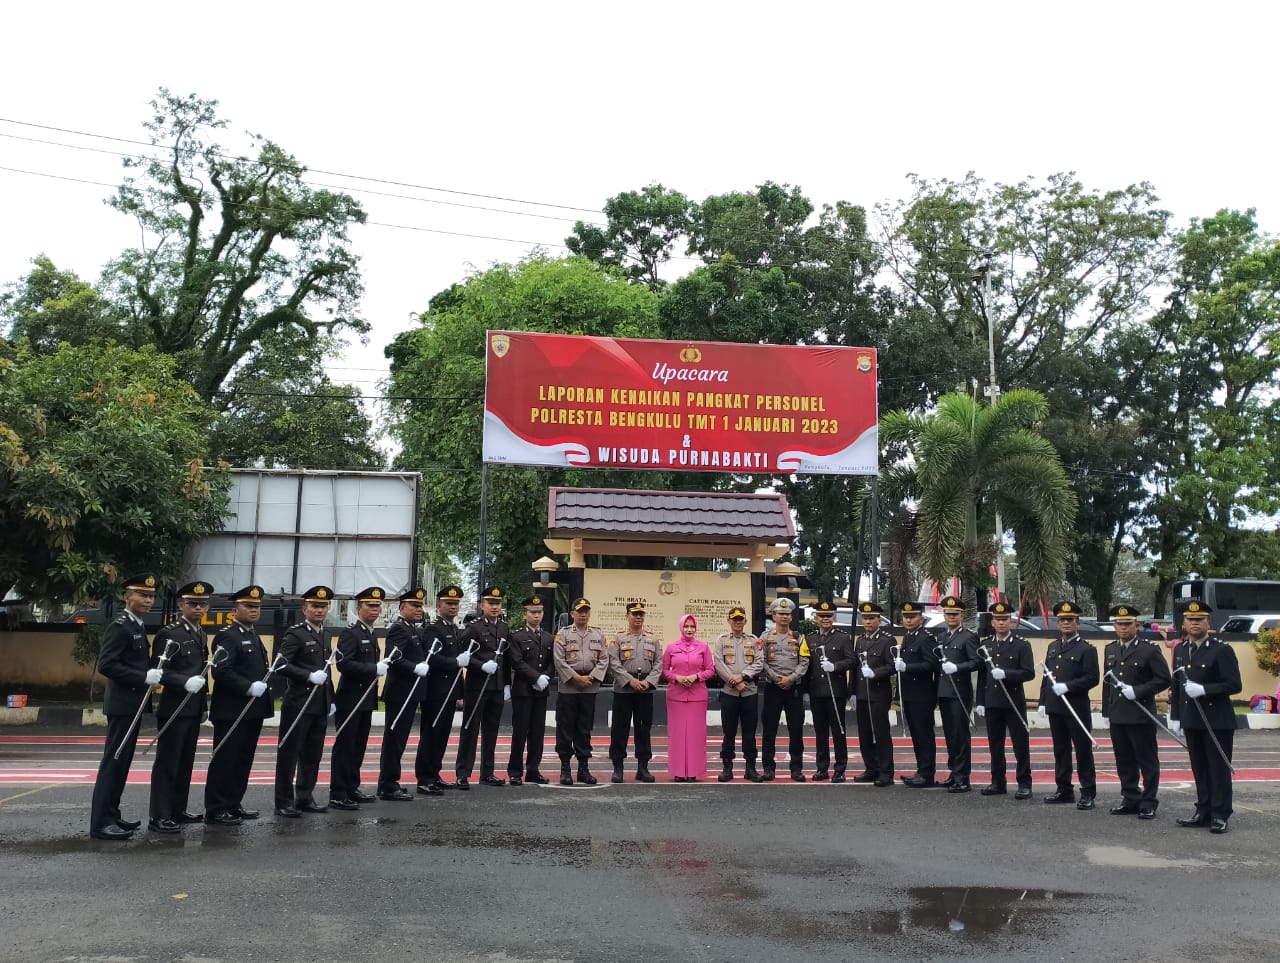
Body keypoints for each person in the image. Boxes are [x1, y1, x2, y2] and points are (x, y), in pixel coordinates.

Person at [89, 573, 159, 840]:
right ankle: (100, 823)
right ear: (127, 596)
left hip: (133, 705)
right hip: (122, 704)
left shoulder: (136, 625)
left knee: (122, 763)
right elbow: (107, 664)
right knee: (113, 762)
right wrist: (143, 677)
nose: (148, 600)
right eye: (142, 595)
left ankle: (112, 814)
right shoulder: (120, 626)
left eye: (151, 596)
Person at [147, 580, 213, 833]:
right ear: (181, 604)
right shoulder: (170, 633)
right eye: (192, 603)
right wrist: (184, 682)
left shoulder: (200, 633)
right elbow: (158, 671)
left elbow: (202, 671)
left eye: (202, 604)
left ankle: (177, 809)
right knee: (168, 762)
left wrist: (204, 701)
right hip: (174, 706)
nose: (198, 608)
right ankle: (159, 815)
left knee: (185, 761)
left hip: (193, 707)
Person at [1170, 600, 1242, 833]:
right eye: (1190, 620)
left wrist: (1204, 689)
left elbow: (1234, 684)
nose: (1194, 623)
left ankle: (1220, 814)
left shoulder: (1221, 650)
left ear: (1208, 622)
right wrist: (1177, 716)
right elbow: (1177, 686)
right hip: (1192, 719)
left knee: (1217, 769)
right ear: (1184, 623)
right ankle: (1203, 810)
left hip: (1216, 720)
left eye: (1199, 619)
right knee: (1199, 767)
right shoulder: (1180, 649)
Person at [205, 584, 273, 826]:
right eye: (248, 606)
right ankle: (216, 808)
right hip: (232, 710)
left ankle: (233, 803)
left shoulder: (252, 634)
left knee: (243, 759)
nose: (254, 610)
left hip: (251, 711)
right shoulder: (228, 635)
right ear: (236, 608)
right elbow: (221, 671)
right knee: (226, 759)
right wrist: (247, 687)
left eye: (257, 606)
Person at [1102, 603, 1172, 820]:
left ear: (1137, 625)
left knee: (1147, 761)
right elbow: (1107, 683)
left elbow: (1163, 679)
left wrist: (1139, 691)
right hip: (1118, 714)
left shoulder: (1149, 649)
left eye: (1127, 624)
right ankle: (1130, 798)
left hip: (1141, 714)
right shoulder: (1111, 649)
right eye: (1119, 624)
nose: (1123, 627)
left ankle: (1149, 801)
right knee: (1124, 761)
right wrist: (1106, 712)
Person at [273, 585, 336, 817]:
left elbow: (327, 671)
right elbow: (280, 664)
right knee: (289, 754)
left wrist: (331, 698)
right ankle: (283, 801)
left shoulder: (325, 634)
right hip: (298, 704)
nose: (320, 610)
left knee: (312, 754)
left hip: (319, 704)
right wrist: (307, 675)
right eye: (315, 606)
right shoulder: (295, 633)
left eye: (323, 606)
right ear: (304, 608)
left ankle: (304, 796)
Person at [329, 586, 388, 811]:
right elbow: (344, 664)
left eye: (377, 606)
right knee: (345, 746)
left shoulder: (370, 633)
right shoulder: (350, 633)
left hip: (366, 699)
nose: (374, 610)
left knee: (359, 745)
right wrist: (373, 668)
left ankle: (352, 786)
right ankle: (338, 792)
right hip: (351, 699)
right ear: (358, 607)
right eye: (370, 606)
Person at [1040, 600, 1100, 810]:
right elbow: (1046, 677)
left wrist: (1069, 686)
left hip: (1076, 707)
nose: (1066, 623)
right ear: (1058, 623)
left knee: (1083, 750)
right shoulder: (1053, 646)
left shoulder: (1086, 649)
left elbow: (1093, 678)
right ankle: (1064, 789)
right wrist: (1042, 701)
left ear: (1078, 623)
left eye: (1070, 620)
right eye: (1062, 620)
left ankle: (1088, 792)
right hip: (1056, 707)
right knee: (1060, 750)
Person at [976, 601, 1034, 800]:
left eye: (1005, 619)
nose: (1001, 623)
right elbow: (983, 677)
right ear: (992, 622)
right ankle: (998, 782)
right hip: (993, 701)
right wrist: (980, 702)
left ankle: (1024, 783)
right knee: (995, 744)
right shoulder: (986, 645)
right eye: (998, 620)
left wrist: (1007, 674)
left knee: (1020, 744)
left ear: (1011, 621)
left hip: (1013, 701)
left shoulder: (1021, 645)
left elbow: (1029, 673)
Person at [377, 587, 431, 800]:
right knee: (394, 740)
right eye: (414, 605)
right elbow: (394, 658)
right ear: (402, 607)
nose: (419, 609)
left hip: (410, 693)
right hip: (400, 693)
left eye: (420, 606)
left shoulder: (412, 629)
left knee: (400, 740)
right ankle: (388, 785)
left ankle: (391, 781)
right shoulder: (399, 629)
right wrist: (414, 668)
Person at [455, 586, 512, 788]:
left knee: (491, 731)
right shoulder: (474, 627)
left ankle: (487, 772)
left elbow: (506, 660)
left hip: (496, 687)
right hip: (477, 686)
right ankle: (463, 773)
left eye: (497, 603)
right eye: (490, 603)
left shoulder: (504, 627)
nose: (495, 607)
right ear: (482, 605)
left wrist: (507, 684)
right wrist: (481, 665)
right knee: (470, 729)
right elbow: (463, 657)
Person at [553, 597, 610, 785]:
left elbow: (604, 659)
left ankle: (583, 768)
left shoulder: (598, 634)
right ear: (572, 614)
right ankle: (565, 768)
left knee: (584, 730)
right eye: (580, 611)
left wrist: (591, 678)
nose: (583, 614)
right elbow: (559, 660)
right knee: (565, 729)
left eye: (586, 611)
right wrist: (576, 678)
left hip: (589, 688)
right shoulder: (563, 634)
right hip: (569, 688)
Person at [418, 585, 467, 792]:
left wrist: (461, 692)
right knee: (430, 735)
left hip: (450, 691)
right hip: (436, 691)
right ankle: (424, 778)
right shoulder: (433, 629)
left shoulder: (453, 629)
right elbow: (433, 659)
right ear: (439, 606)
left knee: (442, 736)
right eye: (449, 603)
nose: (453, 607)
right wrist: (455, 662)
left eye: (456, 603)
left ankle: (434, 773)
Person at [608, 601, 662, 783]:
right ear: (627, 616)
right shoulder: (618, 639)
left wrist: (649, 682)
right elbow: (613, 663)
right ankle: (618, 768)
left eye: (641, 614)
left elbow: (658, 663)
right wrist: (630, 680)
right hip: (624, 689)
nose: (638, 617)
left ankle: (643, 767)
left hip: (645, 689)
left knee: (643, 729)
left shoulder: (652, 639)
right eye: (634, 614)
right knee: (619, 729)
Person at [757, 597, 809, 782]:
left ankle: (796, 769)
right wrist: (776, 678)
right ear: (774, 615)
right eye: (781, 613)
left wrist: (791, 678)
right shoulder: (764, 637)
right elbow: (760, 661)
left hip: (793, 689)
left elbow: (804, 662)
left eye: (788, 614)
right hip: (773, 688)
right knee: (769, 730)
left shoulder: (799, 637)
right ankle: (768, 769)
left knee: (796, 731)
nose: (785, 617)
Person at [932, 594, 979, 793]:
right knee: (950, 736)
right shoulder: (942, 637)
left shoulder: (969, 637)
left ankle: (963, 777)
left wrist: (957, 667)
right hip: (944, 692)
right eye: (948, 613)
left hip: (960, 692)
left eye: (955, 614)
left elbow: (976, 662)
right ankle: (954, 773)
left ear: (961, 615)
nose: (951, 617)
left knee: (960, 736)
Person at [712, 606, 764, 782]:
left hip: (749, 692)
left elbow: (759, 663)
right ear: (729, 621)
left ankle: (750, 768)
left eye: (740, 619)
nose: (737, 622)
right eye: (734, 619)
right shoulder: (721, 640)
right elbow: (718, 663)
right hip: (729, 692)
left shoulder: (754, 640)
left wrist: (742, 677)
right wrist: (734, 681)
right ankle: (727, 768)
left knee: (750, 733)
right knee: (729, 732)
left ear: (745, 621)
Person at [803, 600, 854, 782]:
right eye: (822, 616)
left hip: (836, 692)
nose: (825, 619)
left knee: (838, 732)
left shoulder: (842, 637)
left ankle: (840, 769)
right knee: (821, 732)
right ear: (816, 618)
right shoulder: (810, 639)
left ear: (834, 617)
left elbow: (851, 661)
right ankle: (822, 768)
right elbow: (807, 666)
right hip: (817, 691)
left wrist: (835, 666)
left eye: (829, 616)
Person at [507, 594, 555, 785]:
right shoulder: (517, 637)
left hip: (541, 691)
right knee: (520, 732)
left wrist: (546, 678)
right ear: (524, 614)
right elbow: (517, 662)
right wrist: (536, 677)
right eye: (533, 612)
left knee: (537, 733)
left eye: (540, 612)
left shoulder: (549, 637)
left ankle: (533, 769)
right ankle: (515, 771)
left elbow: (553, 663)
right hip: (523, 691)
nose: (537, 616)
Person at [663, 615, 715, 781]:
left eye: (692, 626)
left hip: (697, 695)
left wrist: (697, 677)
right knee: (677, 735)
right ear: (681, 628)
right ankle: (678, 772)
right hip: (676, 696)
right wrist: (676, 678)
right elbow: (664, 670)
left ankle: (693, 772)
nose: (689, 629)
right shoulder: (671, 647)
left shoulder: (703, 647)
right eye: (686, 626)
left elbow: (710, 669)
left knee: (696, 735)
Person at [895, 602, 940, 788]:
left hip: (922, 695)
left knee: (924, 735)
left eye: (912, 616)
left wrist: (908, 667)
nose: (908, 620)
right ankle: (921, 770)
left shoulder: (926, 638)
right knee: (916, 735)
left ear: (921, 618)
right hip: (909, 694)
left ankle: (927, 773)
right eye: (905, 616)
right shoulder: (908, 637)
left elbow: (931, 665)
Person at [852, 601, 896, 787]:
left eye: (872, 618)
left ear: (879, 620)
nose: (868, 622)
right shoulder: (860, 640)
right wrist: (852, 692)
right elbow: (855, 669)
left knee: (881, 733)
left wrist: (875, 673)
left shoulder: (887, 640)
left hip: (878, 692)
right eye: (865, 618)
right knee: (864, 734)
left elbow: (892, 666)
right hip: (862, 693)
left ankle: (886, 772)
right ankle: (871, 768)